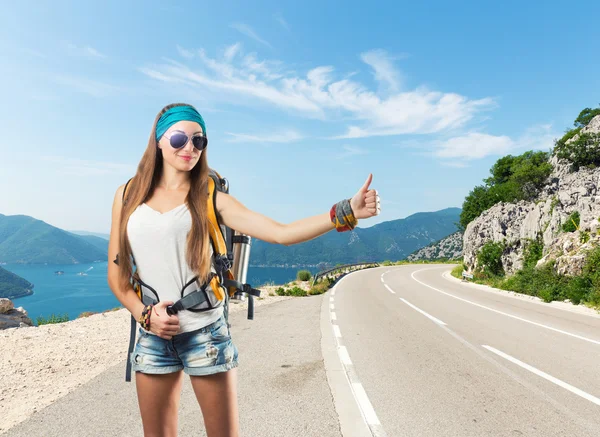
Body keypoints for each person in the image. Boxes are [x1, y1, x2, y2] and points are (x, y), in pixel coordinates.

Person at [107, 102, 381, 437]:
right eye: (179, 138)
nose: (189, 148)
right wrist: (144, 314)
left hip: (205, 333)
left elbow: (280, 232)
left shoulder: (210, 197)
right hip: (152, 337)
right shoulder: (127, 195)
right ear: (159, 140)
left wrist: (345, 211)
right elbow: (118, 277)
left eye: (199, 141)